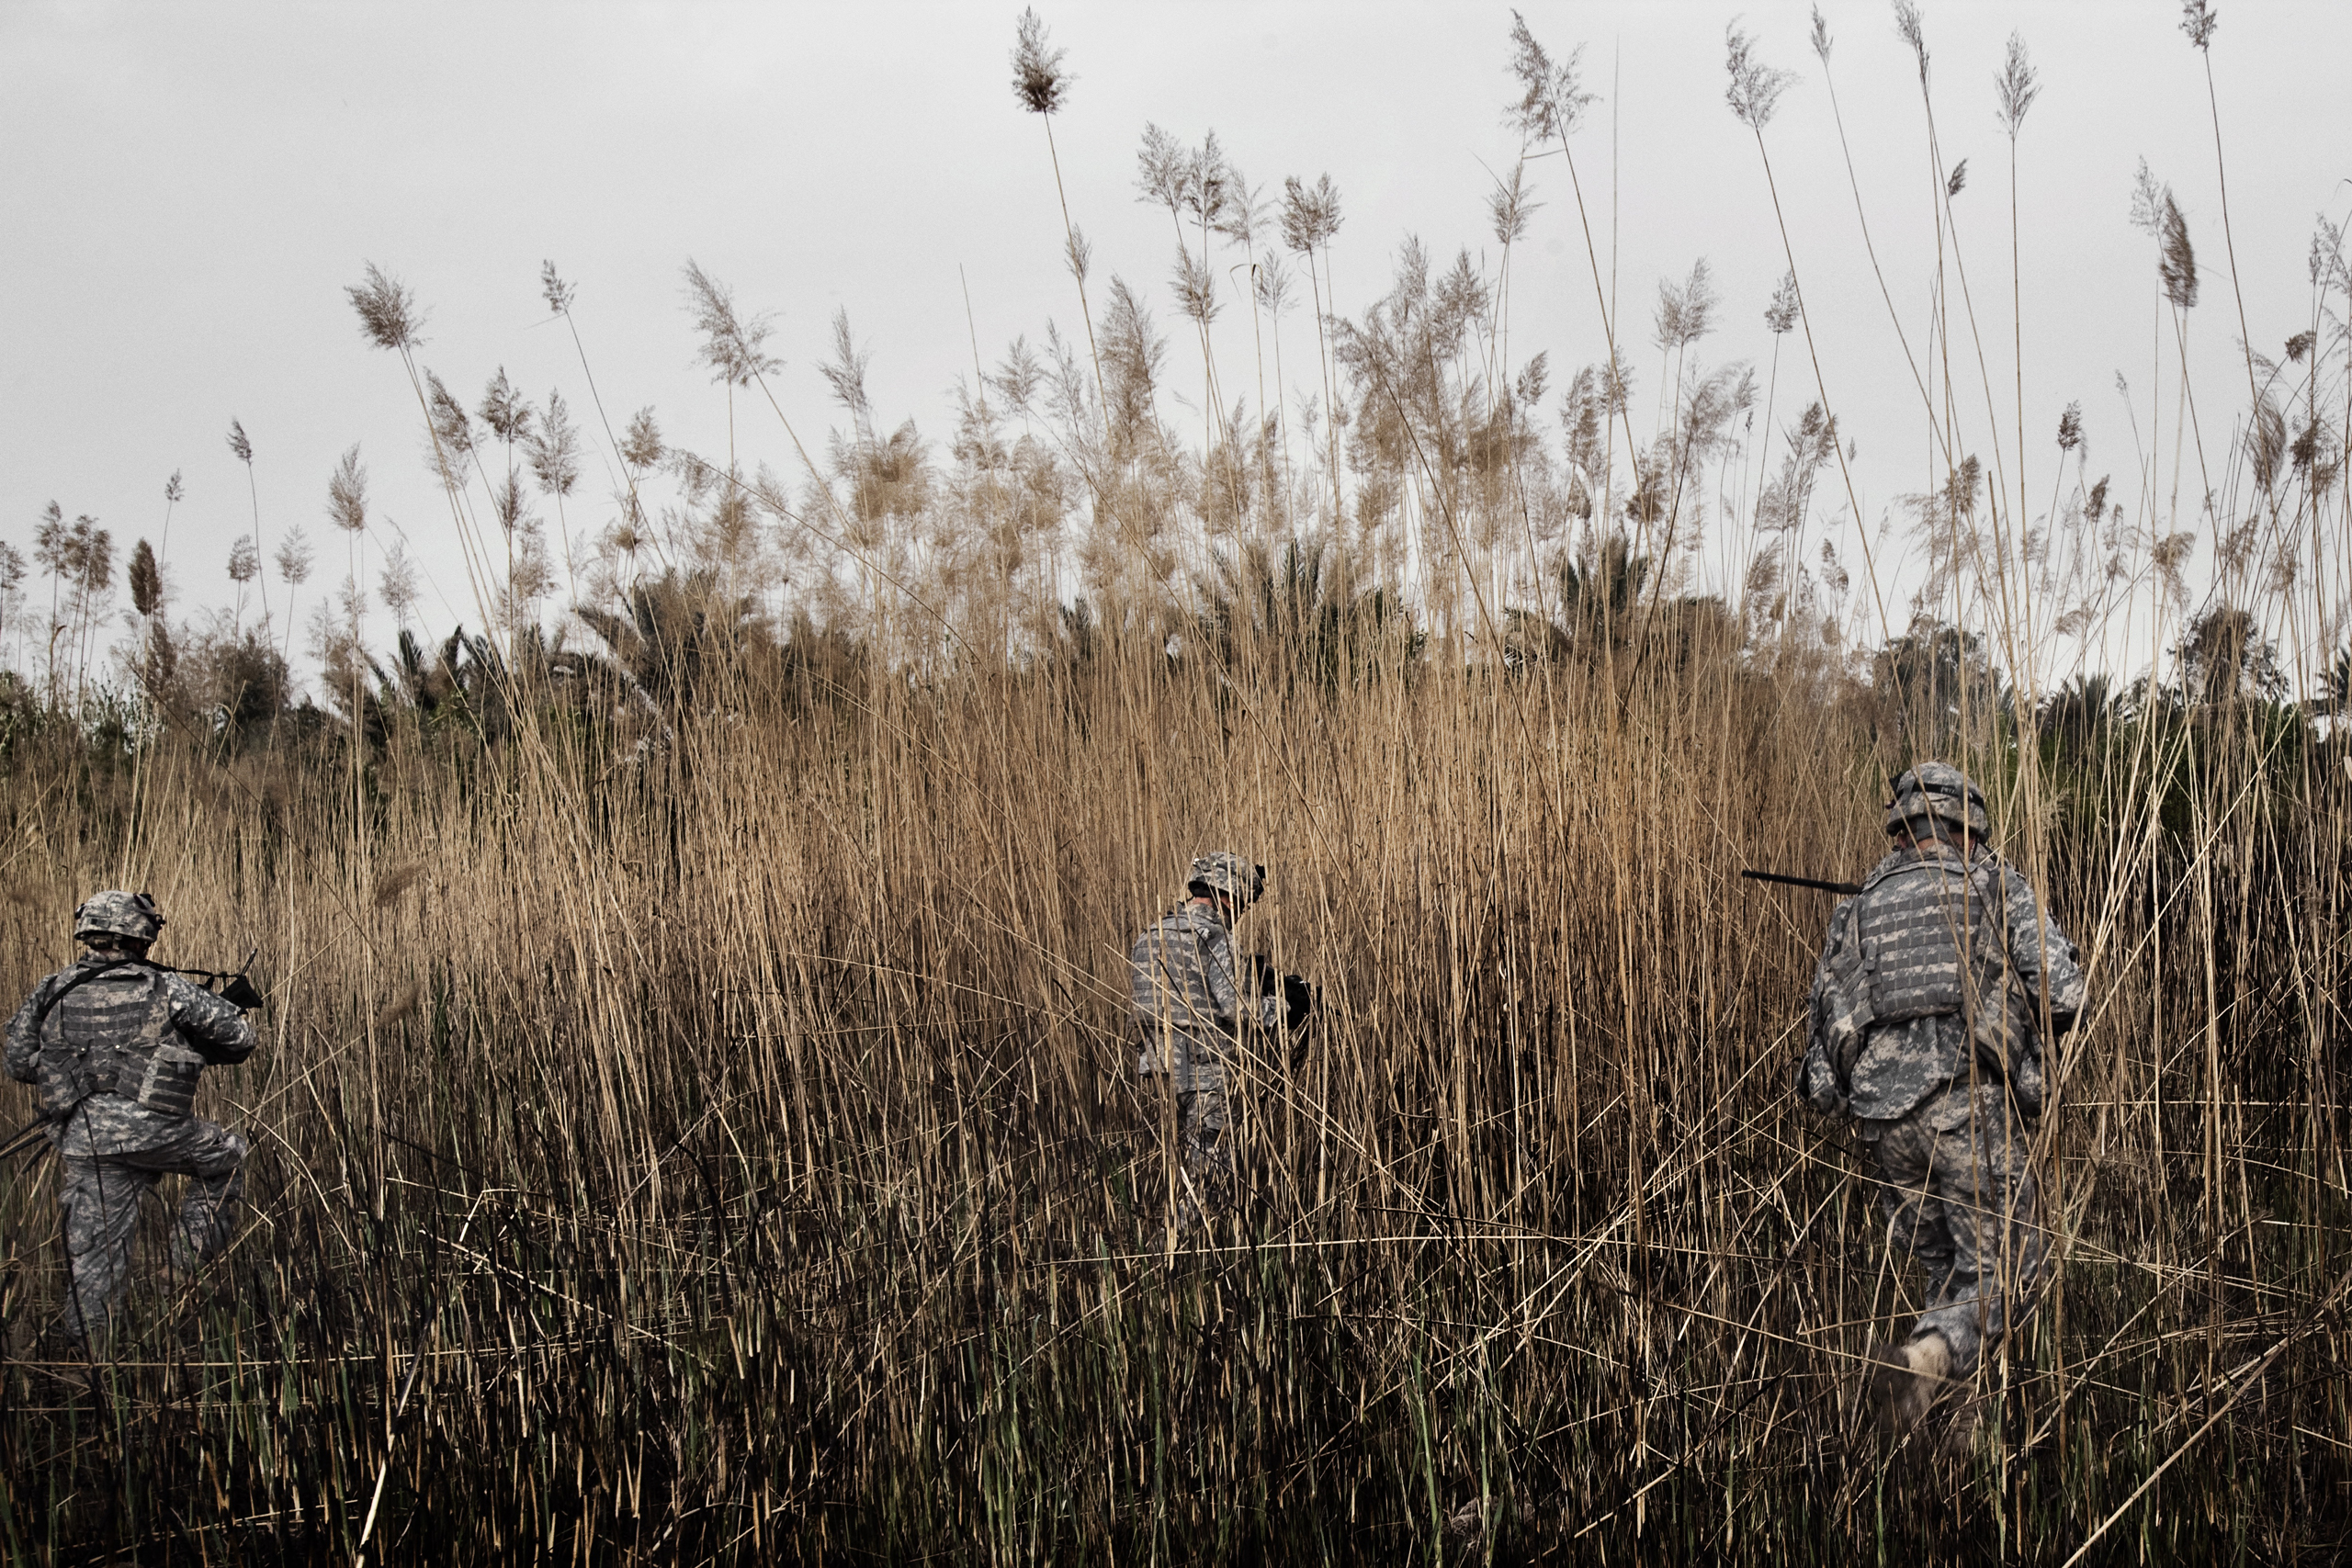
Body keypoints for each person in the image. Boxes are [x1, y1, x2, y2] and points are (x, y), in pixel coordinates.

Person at [1801, 763, 2085, 1429]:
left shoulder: (1858, 907)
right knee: (2012, 1271)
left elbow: (1821, 1044)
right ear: (1969, 828)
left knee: (1954, 1277)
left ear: (1901, 831)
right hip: (1969, 1108)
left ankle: (1960, 1438)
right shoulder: (1994, 884)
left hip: (1883, 1122)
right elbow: (2065, 994)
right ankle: (1923, 1360)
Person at [5, 890, 260, 1348]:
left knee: (95, 1260)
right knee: (228, 1159)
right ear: (140, 935)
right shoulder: (164, 986)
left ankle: (90, 1363)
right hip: (158, 1130)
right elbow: (240, 1038)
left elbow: (18, 1062)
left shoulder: (51, 988)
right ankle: (183, 1265)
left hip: (86, 1141)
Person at [1129, 852, 1295, 1230]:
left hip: (1160, 1070)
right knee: (1210, 1176)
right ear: (1227, 894)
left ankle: (1165, 1245)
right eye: (1244, 902)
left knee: (1178, 1168)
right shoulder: (1215, 935)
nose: (1242, 912)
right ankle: (1169, 1251)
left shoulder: (1151, 934)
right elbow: (1239, 1009)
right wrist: (1284, 1006)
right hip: (1206, 1073)